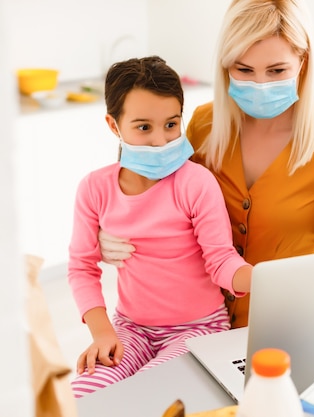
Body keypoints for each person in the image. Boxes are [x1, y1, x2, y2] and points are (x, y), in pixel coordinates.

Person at [98, 0, 314, 329]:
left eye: (277, 71)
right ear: (225, 66)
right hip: (190, 321)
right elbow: (160, 196)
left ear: (303, 62)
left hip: (282, 324)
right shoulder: (204, 123)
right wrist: (111, 230)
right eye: (244, 70)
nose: (261, 84)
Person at [68, 56, 252, 398]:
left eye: (171, 124)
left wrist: (268, 280)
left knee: (148, 395)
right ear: (113, 125)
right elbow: (81, 267)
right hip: (130, 329)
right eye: (143, 127)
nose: (160, 140)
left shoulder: (196, 183)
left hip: (199, 329)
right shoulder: (95, 188)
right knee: (82, 397)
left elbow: (221, 261)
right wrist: (103, 333)